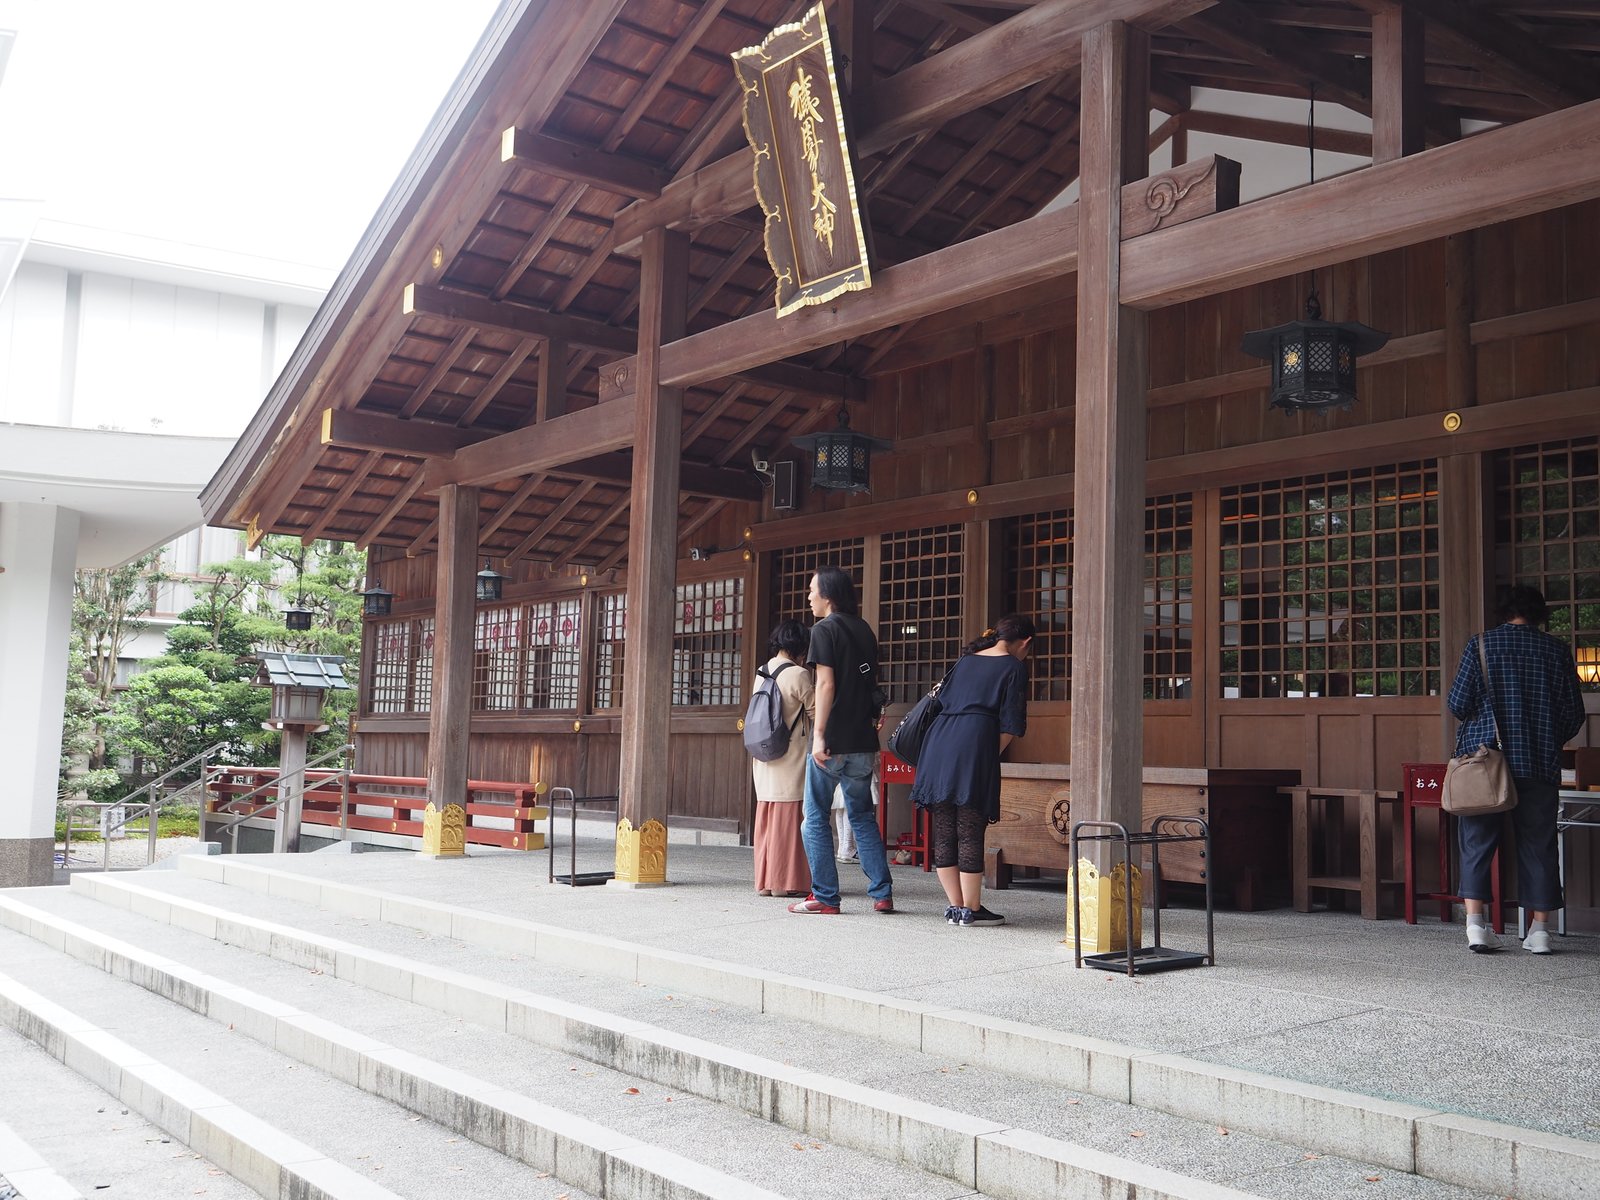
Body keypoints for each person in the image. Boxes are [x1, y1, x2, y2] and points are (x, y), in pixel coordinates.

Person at [1447, 586, 1584, 955]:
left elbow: (1458, 703)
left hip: (1484, 762)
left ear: (1502, 612)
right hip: (1538, 761)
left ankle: (1476, 926)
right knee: (1539, 845)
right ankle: (1539, 932)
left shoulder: (1480, 646)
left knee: (1477, 841)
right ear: (1539, 614)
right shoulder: (1556, 651)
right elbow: (1573, 715)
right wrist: (1545, 737)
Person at [909, 614, 1034, 927]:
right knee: (969, 827)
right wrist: (987, 754)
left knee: (945, 828)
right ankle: (973, 908)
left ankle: (956, 907)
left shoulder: (965, 661)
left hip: (938, 742)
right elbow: (1010, 723)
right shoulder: (1013, 667)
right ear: (1025, 643)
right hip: (974, 741)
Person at [789, 566, 893, 915]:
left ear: (828, 596)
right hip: (863, 739)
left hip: (833, 740)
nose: (809, 597)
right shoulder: (863, 629)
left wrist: (818, 735)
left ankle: (825, 896)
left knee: (814, 816)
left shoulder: (823, 630)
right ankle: (882, 892)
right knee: (862, 815)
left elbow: (826, 685)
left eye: (812, 590)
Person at [750, 620, 815, 898]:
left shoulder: (763, 671)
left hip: (764, 754)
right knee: (789, 821)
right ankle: (786, 881)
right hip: (790, 757)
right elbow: (817, 711)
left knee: (767, 819)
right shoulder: (798, 674)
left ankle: (766, 881)